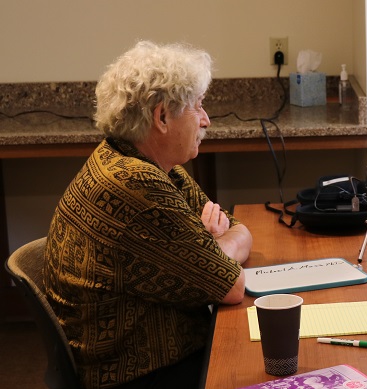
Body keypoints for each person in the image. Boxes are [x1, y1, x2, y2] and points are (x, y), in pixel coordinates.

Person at [43, 41, 252, 389]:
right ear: (162, 117)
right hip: (140, 374)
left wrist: (209, 247)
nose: (206, 120)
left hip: (163, 355)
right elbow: (231, 285)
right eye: (198, 106)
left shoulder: (155, 166)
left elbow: (237, 227)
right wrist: (211, 251)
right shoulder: (134, 183)